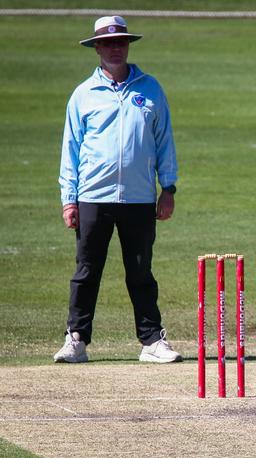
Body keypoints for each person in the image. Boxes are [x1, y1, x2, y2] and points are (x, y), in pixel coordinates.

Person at [55, 16, 182, 364]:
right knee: (86, 271)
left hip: (140, 197)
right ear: (97, 48)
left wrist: (167, 187)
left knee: (141, 270)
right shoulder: (83, 95)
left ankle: (152, 341)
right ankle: (76, 339)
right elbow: (72, 149)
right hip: (93, 195)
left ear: (128, 46)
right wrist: (70, 199)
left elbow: (163, 141)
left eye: (121, 42)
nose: (115, 48)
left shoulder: (150, 88)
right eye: (108, 43)